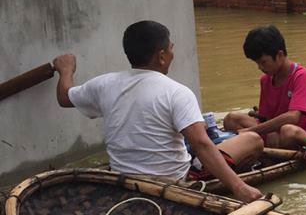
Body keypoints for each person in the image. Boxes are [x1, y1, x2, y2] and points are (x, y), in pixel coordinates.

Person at [52, 21, 263, 202]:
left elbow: (64, 97)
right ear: (161, 56)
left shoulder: (103, 85)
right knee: (253, 140)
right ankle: (231, 178)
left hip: (122, 179)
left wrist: (66, 70)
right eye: (171, 48)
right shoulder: (177, 92)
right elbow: (201, 144)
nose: (173, 53)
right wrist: (240, 188)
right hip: (172, 182)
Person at [223, 26, 306, 149]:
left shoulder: (302, 76)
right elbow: (265, 118)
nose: (260, 67)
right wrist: (257, 131)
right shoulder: (265, 80)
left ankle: (266, 155)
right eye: (257, 63)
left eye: (263, 62)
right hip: (276, 135)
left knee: (288, 131)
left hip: (300, 136)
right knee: (231, 119)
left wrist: (251, 131)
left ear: (280, 55)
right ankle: (264, 157)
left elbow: (293, 117)